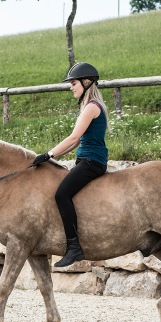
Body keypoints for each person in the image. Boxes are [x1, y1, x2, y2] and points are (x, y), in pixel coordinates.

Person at [33, 62, 110, 267]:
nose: (71, 87)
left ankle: (74, 247)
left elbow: (73, 137)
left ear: (86, 83)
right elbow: (76, 142)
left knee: (61, 194)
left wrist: (48, 153)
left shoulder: (91, 107)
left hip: (92, 161)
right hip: (88, 159)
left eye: (74, 83)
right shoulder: (89, 107)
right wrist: (50, 158)